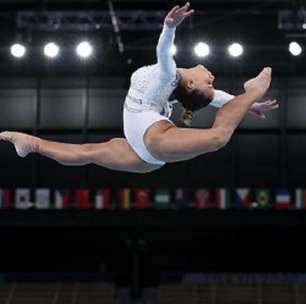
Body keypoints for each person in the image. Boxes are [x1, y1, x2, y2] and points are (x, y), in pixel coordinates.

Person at [0, 2, 278, 174]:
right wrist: (245, 105)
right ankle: (32, 144)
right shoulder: (174, 86)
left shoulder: (170, 75)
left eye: (208, 81)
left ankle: (252, 89)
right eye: (212, 81)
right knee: (86, 153)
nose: (212, 75)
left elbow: (164, 53)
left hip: (147, 142)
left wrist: (169, 28)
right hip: (145, 152)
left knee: (218, 137)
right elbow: (216, 98)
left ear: (190, 83)